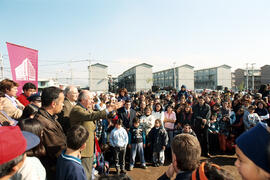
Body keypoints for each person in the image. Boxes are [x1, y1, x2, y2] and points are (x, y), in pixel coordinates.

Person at [69, 90, 122, 180]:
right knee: (84, 174)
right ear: (83, 100)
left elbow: (94, 115)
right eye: (90, 99)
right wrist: (108, 109)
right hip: (82, 150)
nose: (93, 101)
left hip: (89, 147)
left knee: (89, 173)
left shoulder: (87, 109)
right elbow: (91, 116)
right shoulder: (76, 110)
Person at [34, 86, 66, 179]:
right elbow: (57, 149)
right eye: (62, 102)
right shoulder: (44, 122)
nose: (63, 105)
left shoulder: (51, 117)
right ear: (53, 104)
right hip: (51, 170)